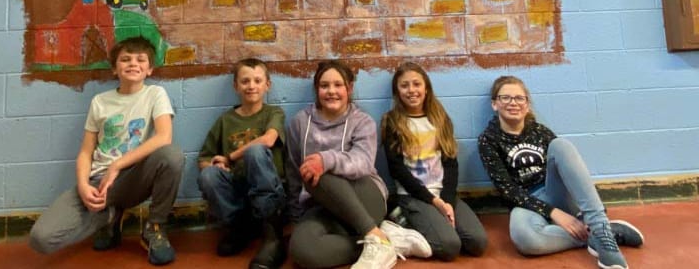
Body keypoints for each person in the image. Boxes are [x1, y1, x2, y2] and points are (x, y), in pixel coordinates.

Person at [29, 36, 185, 266]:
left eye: (141, 59)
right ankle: (109, 217)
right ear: (114, 68)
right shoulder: (99, 101)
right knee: (40, 239)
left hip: (133, 178)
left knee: (171, 156)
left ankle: (155, 226)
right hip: (98, 182)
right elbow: (85, 152)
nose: (133, 63)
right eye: (125, 59)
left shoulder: (155, 94)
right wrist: (83, 185)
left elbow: (164, 137)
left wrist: (117, 165)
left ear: (149, 69)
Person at [478, 75, 644, 269]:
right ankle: (599, 234)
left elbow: (567, 170)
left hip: (556, 190)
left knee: (561, 145)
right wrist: (553, 213)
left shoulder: (541, 131)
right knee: (526, 240)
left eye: (519, 98)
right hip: (526, 202)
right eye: (505, 98)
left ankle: (599, 226)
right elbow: (508, 191)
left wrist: (563, 207)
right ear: (494, 104)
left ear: (527, 104)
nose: (513, 103)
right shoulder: (487, 141)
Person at [286, 60, 427, 269]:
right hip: (324, 205)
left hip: (365, 200)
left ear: (349, 88)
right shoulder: (300, 122)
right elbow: (292, 171)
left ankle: (370, 231)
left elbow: (362, 163)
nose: (331, 91)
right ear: (317, 89)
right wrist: (297, 216)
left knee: (316, 171)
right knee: (302, 250)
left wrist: (326, 160)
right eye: (324, 86)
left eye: (338, 85)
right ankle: (385, 240)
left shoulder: (363, 121)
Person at [381, 62, 487, 261]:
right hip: (414, 196)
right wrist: (434, 201)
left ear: (426, 88)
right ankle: (400, 222)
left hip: (443, 194)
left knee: (477, 242)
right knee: (449, 247)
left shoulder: (439, 118)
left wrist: (446, 200)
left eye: (416, 84)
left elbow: (451, 164)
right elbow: (397, 170)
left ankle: (428, 222)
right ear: (397, 91)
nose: (411, 90)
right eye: (404, 85)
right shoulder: (392, 121)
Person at [197, 58, 287, 269]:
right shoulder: (225, 120)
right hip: (238, 192)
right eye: (245, 81)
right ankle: (238, 228)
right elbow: (204, 158)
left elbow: (268, 140)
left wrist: (229, 157)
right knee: (208, 175)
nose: (251, 86)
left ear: (268, 85)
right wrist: (214, 166)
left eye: (257, 80)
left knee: (255, 151)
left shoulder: (273, 113)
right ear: (236, 86)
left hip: (268, 193)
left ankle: (272, 234)